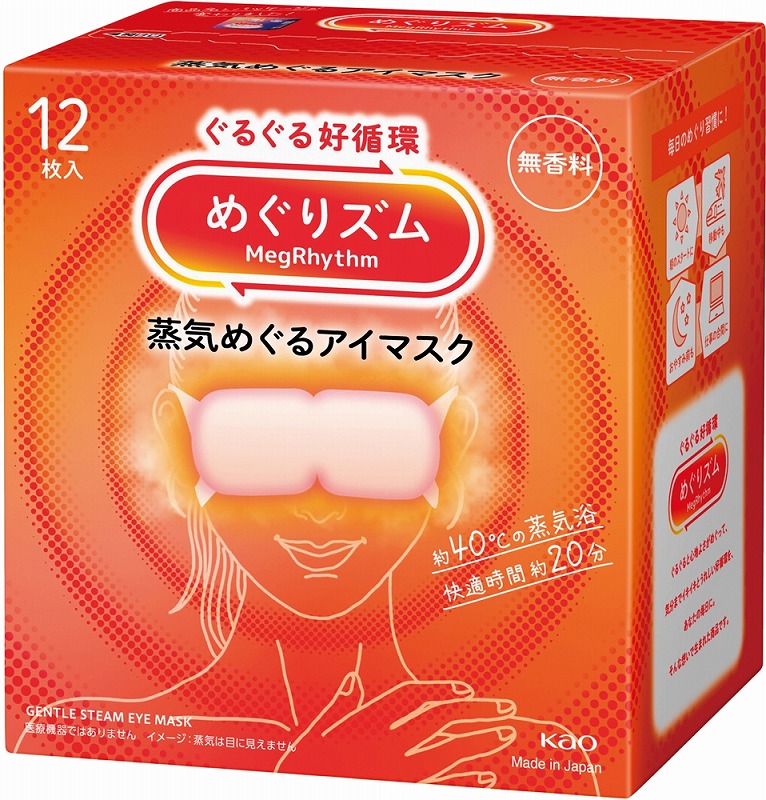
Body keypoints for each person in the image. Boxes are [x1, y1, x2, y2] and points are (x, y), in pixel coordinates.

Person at [16, 293, 599, 793]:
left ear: (454, 440)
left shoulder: (517, 752)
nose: (319, 507)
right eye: (259, 442)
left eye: (375, 443)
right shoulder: (81, 741)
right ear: (179, 439)